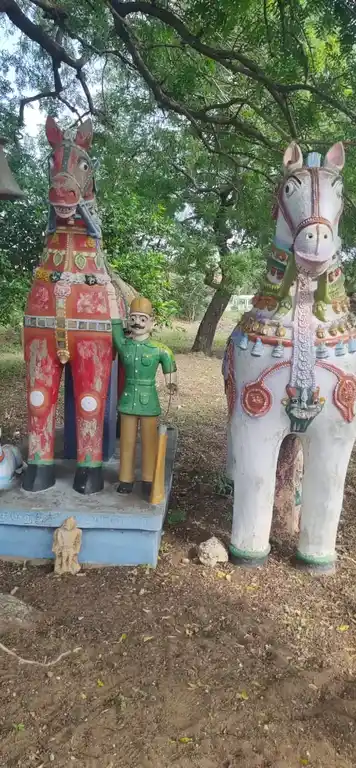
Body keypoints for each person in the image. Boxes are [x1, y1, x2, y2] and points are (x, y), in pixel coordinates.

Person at [112, 296, 177, 497]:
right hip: (128, 400)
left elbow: (170, 370)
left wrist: (171, 383)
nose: (137, 323)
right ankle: (125, 478)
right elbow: (114, 327)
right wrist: (110, 296)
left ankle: (149, 478)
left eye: (143, 318)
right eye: (133, 318)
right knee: (126, 442)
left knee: (149, 442)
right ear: (127, 320)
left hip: (149, 402)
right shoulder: (124, 345)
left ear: (151, 322)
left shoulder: (160, 350)